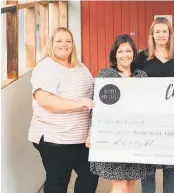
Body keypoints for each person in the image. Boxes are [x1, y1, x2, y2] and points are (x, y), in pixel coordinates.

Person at [28, 27, 99, 193]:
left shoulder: (80, 68)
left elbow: (92, 96)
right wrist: (79, 103)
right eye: (59, 40)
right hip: (55, 138)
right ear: (51, 44)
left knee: (90, 175)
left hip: (81, 138)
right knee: (58, 181)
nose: (64, 44)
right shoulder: (45, 67)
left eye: (68, 41)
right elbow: (45, 101)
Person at [87, 34, 156, 193]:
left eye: (128, 51)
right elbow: (97, 108)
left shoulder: (142, 77)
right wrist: (91, 133)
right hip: (114, 137)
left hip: (137, 138)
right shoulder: (106, 75)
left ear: (134, 53)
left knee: (130, 183)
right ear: (114, 54)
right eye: (120, 51)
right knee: (119, 185)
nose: (125, 55)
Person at [134, 17, 174, 193]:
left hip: (172, 119)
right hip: (147, 119)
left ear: (170, 34)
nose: (161, 34)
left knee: (170, 166)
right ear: (152, 34)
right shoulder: (141, 57)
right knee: (148, 167)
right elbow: (132, 83)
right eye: (158, 31)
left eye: (165, 31)